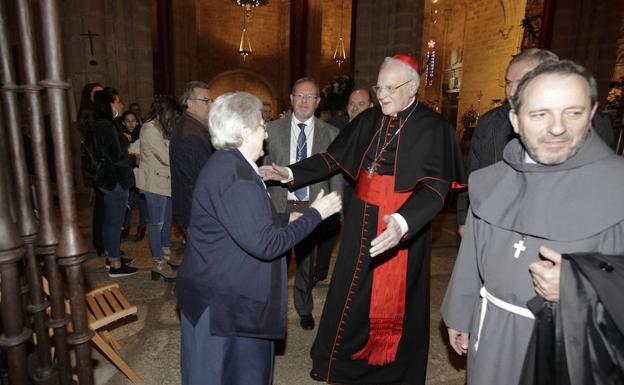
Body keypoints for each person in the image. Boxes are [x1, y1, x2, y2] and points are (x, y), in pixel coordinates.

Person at [261, 54, 464, 384]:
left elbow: (435, 189)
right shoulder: (371, 119)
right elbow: (331, 159)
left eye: (388, 87)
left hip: (402, 231)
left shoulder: (434, 128)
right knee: (350, 292)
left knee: (397, 304)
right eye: (378, 86)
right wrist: (289, 172)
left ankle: (390, 371)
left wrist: (403, 222)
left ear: (412, 87)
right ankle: (340, 363)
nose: (381, 94)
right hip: (362, 221)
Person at [441, 59, 624, 385]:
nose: (557, 127)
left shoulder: (617, 185)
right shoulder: (492, 181)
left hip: (570, 342)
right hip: (493, 329)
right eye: (540, 114)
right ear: (515, 118)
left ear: (593, 113)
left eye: (573, 112)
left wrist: (579, 288)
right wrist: (459, 313)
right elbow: (471, 255)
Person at [175, 92, 342, 385]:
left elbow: (240, 220)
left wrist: (283, 219)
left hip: (226, 294)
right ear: (243, 131)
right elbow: (266, 245)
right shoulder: (236, 175)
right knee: (225, 375)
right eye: (261, 125)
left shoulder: (229, 163)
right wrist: (316, 213)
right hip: (222, 305)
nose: (265, 133)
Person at [457, 48, 616, 236]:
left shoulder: (592, 124)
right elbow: (473, 175)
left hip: (560, 228)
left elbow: (600, 184)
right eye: (508, 82)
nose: (512, 91)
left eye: (522, 81)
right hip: (495, 224)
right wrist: (464, 219)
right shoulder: (491, 122)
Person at [263, 77, 343, 331]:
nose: (304, 101)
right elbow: (262, 168)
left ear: (318, 102)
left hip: (312, 206)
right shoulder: (272, 130)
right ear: (291, 99)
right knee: (276, 263)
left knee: (307, 263)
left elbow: (336, 173)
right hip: (278, 205)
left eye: (310, 97)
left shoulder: (331, 133)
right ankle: (272, 309)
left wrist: (336, 205)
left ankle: (304, 307)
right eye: (300, 96)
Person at [315, 87, 375, 286]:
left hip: (364, 191)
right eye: (351, 104)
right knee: (328, 231)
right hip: (337, 187)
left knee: (358, 236)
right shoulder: (334, 127)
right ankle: (319, 272)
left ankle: (354, 276)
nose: (354, 108)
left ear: (371, 106)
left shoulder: (379, 129)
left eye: (361, 104)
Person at [91, 89, 137, 277]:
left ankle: (112, 256)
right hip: (114, 180)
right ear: (108, 105)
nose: (121, 105)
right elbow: (115, 156)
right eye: (117, 102)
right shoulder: (105, 126)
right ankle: (116, 265)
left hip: (110, 179)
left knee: (110, 221)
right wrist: (134, 158)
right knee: (114, 222)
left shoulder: (105, 124)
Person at [137, 95, 181, 280]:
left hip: (165, 181)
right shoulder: (150, 129)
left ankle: (166, 253)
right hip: (154, 183)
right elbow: (166, 156)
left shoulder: (160, 128)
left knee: (167, 220)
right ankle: (158, 262)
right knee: (157, 223)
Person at [170, 81, 213, 246]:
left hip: (195, 208)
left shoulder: (195, 126)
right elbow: (205, 176)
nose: (210, 105)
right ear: (190, 103)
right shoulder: (191, 133)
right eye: (206, 101)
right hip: (196, 210)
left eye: (211, 100)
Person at [120, 110, 147, 241]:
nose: (131, 123)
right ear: (123, 122)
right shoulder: (121, 137)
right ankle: (126, 226)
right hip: (128, 173)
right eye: (128, 120)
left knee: (142, 201)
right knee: (128, 202)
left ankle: (142, 227)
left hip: (140, 172)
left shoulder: (143, 135)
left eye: (133, 120)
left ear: (137, 122)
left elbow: (143, 155)